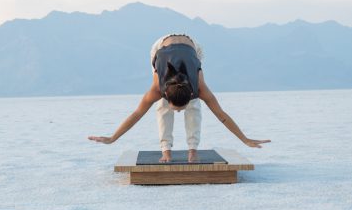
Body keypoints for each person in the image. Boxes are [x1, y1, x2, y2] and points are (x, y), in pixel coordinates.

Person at [88, 33, 270, 162]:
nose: (180, 112)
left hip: (192, 48)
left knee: (194, 107)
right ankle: (166, 150)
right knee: (162, 108)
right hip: (161, 47)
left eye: (181, 107)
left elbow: (221, 115)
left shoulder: (199, 87)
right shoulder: (157, 89)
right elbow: (137, 114)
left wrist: (244, 139)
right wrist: (113, 138)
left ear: (190, 92)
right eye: (178, 108)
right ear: (165, 93)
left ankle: (193, 150)